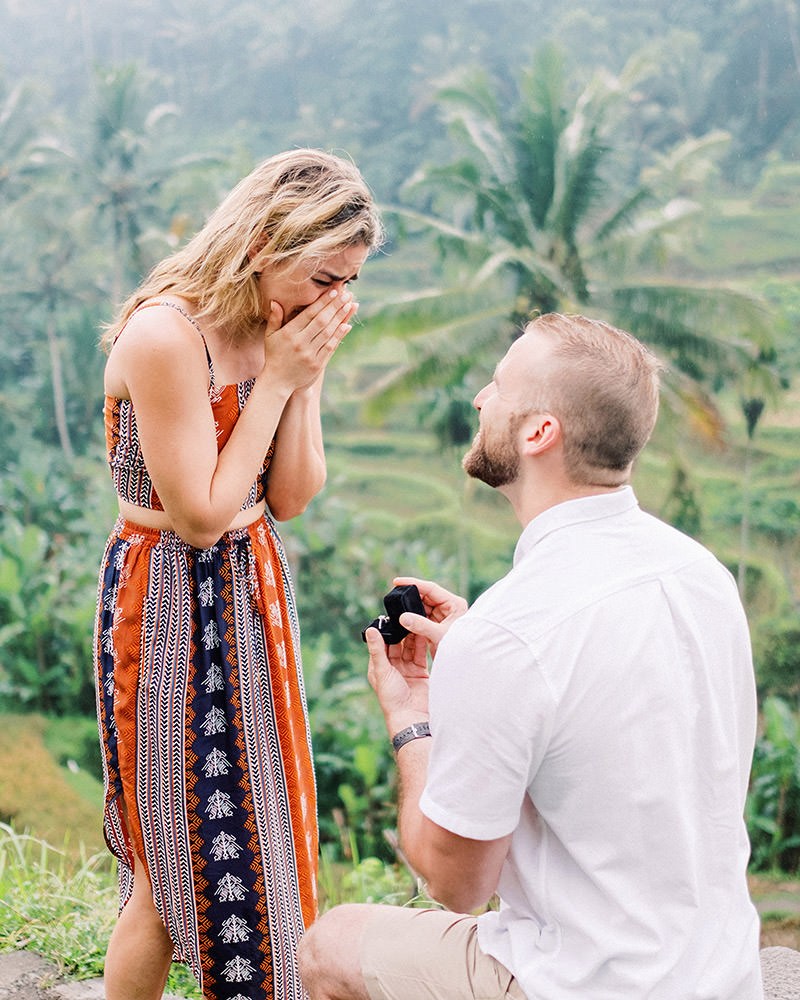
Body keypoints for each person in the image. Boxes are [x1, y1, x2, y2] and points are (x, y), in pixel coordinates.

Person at [298, 312, 763, 1000]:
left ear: (539, 431)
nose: (481, 399)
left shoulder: (509, 636)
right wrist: (481, 655)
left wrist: (414, 721)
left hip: (586, 985)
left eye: (498, 385)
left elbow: (458, 886)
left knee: (330, 943)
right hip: (721, 976)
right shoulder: (699, 574)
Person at [93, 148, 383, 1000]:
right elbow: (199, 512)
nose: (335, 301)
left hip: (252, 593)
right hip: (166, 603)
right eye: (326, 276)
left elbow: (289, 494)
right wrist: (281, 379)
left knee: (265, 835)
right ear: (265, 241)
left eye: (349, 282)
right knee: (166, 860)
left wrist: (303, 378)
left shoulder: (279, 331)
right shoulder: (165, 336)